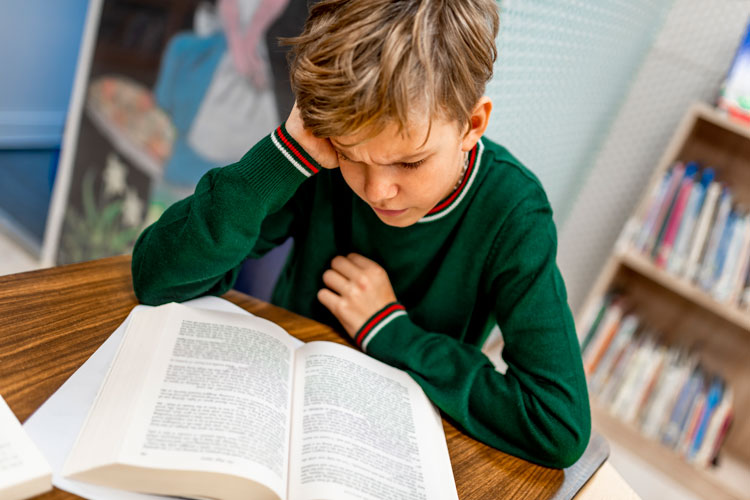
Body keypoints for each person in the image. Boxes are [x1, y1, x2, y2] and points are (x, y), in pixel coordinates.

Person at [132, 0, 591, 468]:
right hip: (275, 412)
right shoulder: (322, 159)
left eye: (409, 162)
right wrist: (282, 155)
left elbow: (557, 425)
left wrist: (390, 330)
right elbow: (159, 278)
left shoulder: (513, 212)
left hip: (396, 449)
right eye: (351, 155)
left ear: (472, 124)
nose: (378, 191)